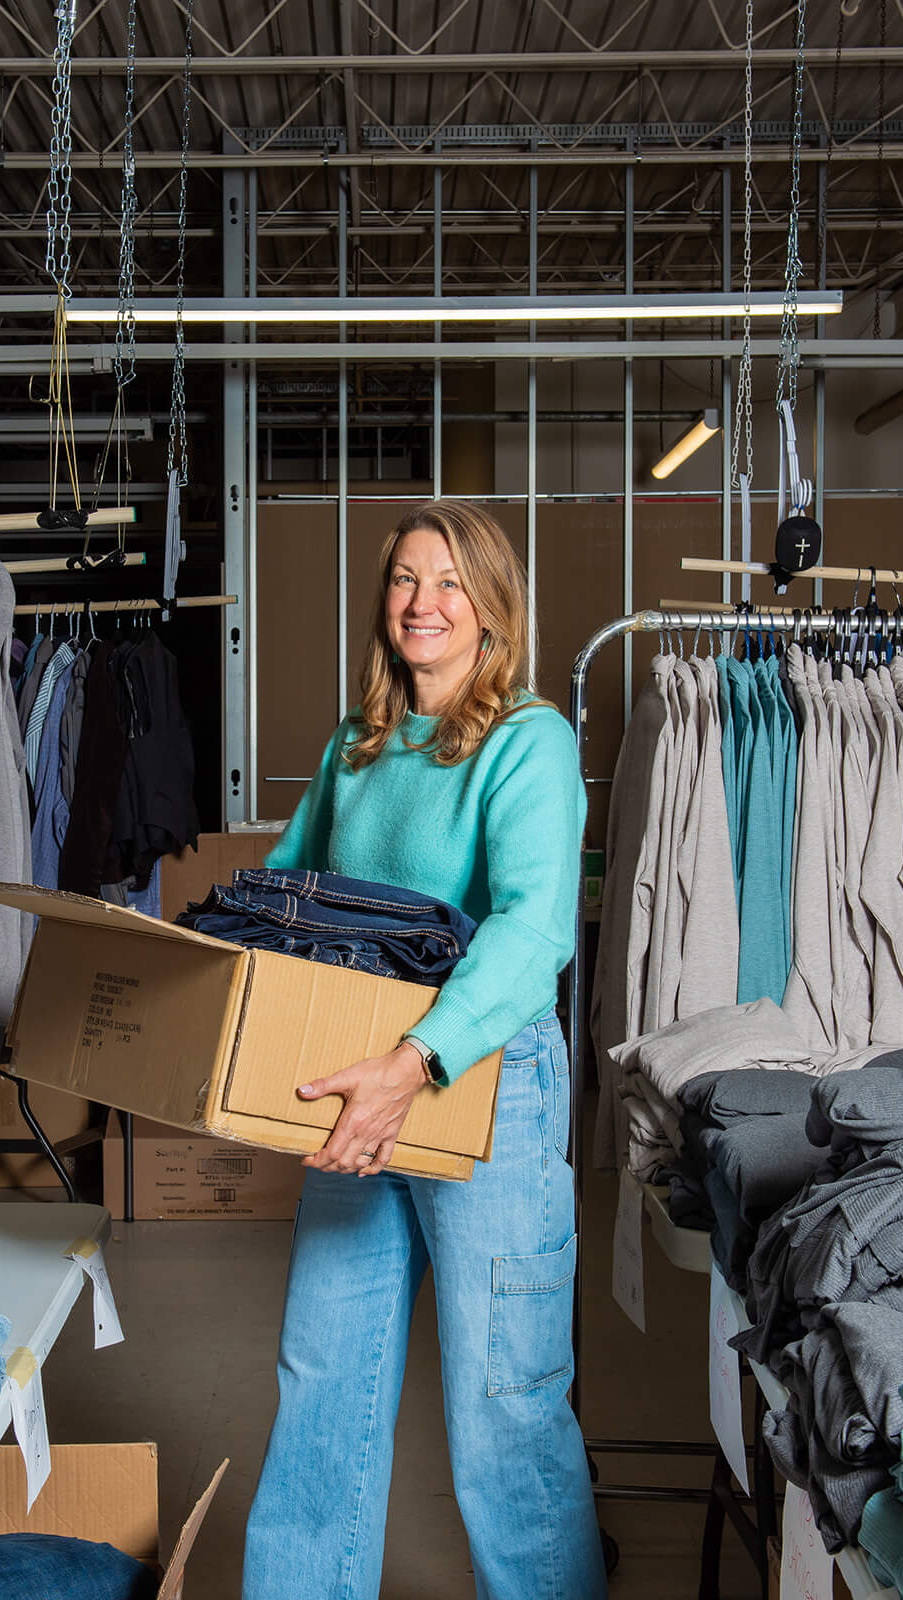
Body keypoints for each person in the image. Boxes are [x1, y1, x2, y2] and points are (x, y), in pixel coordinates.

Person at [241, 500, 604, 1599]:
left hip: (479, 1082)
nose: (423, 602)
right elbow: (282, 893)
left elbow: (535, 928)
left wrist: (415, 1064)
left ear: (493, 607)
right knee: (322, 1377)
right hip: (362, 1082)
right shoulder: (355, 744)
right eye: (405, 578)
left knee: (504, 1404)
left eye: (450, 581)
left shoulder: (529, 739)